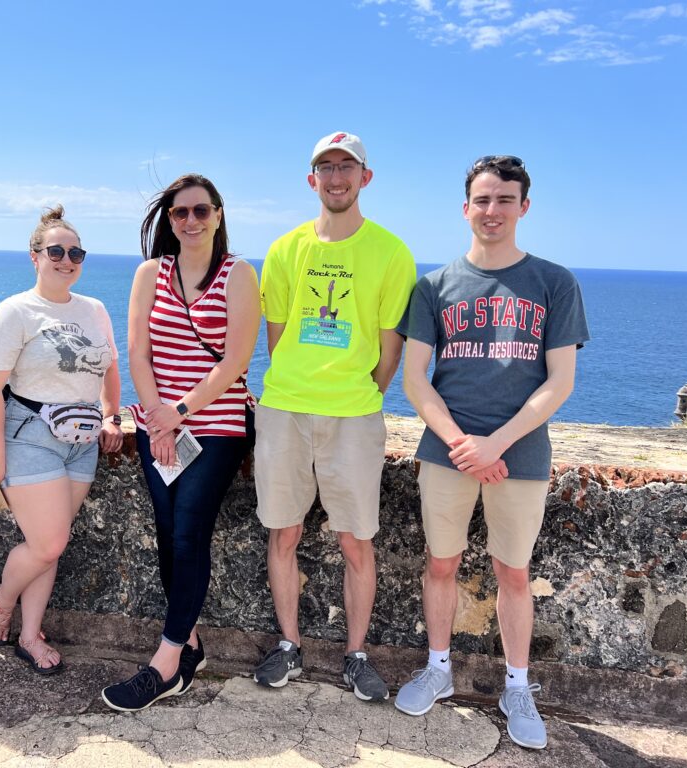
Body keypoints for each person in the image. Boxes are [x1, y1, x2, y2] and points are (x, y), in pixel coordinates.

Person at [394, 155, 588, 750]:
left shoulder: (554, 283)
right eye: (482, 199)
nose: (492, 210)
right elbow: (416, 379)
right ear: (465, 208)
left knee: (513, 572)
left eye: (505, 199)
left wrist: (495, 445)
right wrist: (460, 444)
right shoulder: (434, 286)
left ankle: (518, 685)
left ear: (523, 207)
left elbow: (560, 381)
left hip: (518, 455)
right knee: (440, 563)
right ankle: (438, 668)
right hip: (447, 451)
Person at [253, 132, 416, 700]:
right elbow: (277, 337)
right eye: (326, 166)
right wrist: (303, 385)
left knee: (356, 540)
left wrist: (359, 391)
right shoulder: (284, 249)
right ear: (312, 179)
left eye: (347, 166)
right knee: (284, 531)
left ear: (365, 178)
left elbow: (389, 342)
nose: (337, 176)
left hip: (355, 415)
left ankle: (356, 654)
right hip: (285, 409)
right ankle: (289, 646)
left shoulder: (392, 253)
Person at [101, 174, 260, 711]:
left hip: (214, 427)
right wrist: (157, 417)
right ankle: (189, 645)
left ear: (218, 214)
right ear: (168, 220)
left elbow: (236, 361)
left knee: (190, 531)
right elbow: (138, 351)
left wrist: (181, 412)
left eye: (200, 211)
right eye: (179, 213)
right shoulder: (152, 273)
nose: (190, 221)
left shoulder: (239, 274)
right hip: (157, 426)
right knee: (168, 533)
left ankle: (164, 663)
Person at [0, 206, 122, 674]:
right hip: (31, 434)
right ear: (35, 256)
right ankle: (1, 600)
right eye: (56, 251)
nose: (66, 259)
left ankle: (29, 634)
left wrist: (112, 416)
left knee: (50, 543)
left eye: (75, 252)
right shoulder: (15, 311)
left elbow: (109, 368)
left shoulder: (95, 309)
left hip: (81, 436)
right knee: (49, 541)